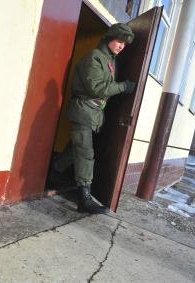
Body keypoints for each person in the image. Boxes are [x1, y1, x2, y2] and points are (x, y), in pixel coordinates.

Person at [52, 23, 136, 214]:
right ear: (109, 38)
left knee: (77, 148)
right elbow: (96, 88)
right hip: (83, 111)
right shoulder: (94, 57)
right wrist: (123, 87)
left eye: (125, 44)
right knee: (85, 153)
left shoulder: (110, 60)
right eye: (119, 41)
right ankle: (84, 199)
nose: (122, 46)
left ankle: (55, 172)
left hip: (94, 113)